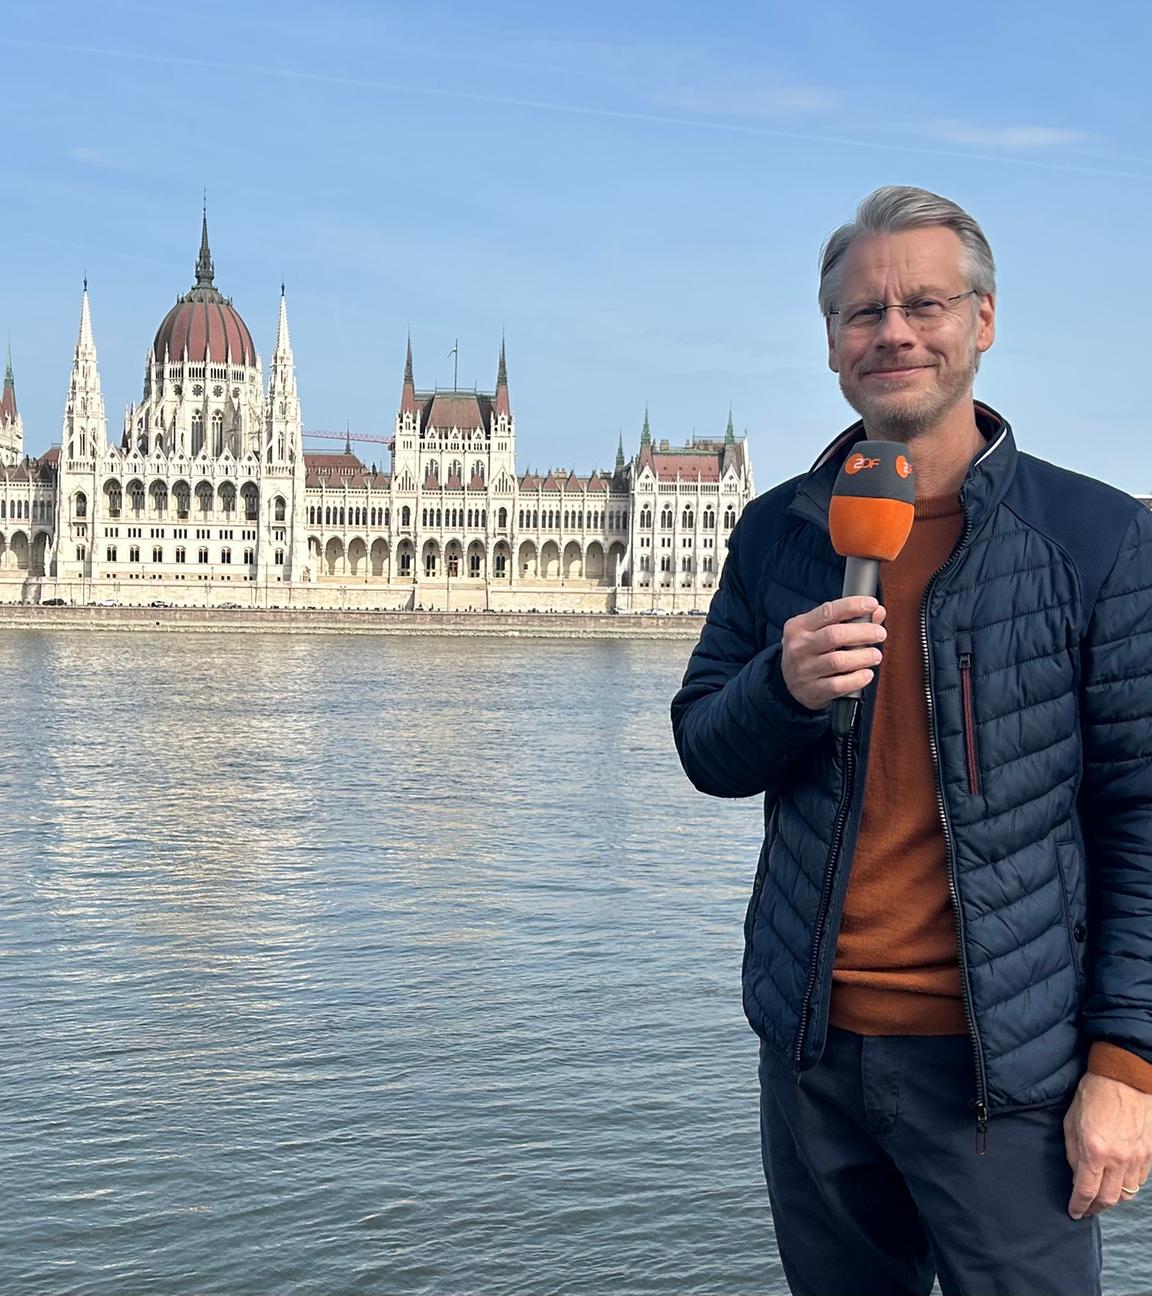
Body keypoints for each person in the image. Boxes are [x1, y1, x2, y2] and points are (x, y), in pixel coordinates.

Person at [670, 186, 1152, 1296]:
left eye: (925, 304)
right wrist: (782, 687)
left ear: (982, 323)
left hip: (1006, 1078)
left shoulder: (1096, 537)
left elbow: (1138, 812)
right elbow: (706, 751)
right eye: (861, 313)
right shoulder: (780, 531)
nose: (893, 331)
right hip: (813, 1063)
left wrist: (1127, 1062)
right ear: (833, 346)